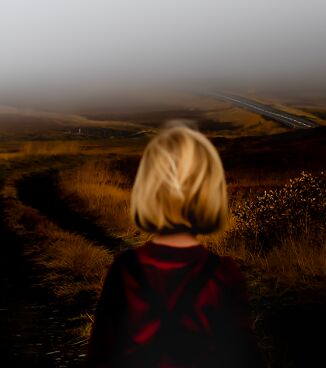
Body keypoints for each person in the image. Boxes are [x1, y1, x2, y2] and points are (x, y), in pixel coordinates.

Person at [86, 122, 263, 367]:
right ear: (210, 191)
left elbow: (100, 358)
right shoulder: (224, 275)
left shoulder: (124, 271)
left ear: (148, 190)